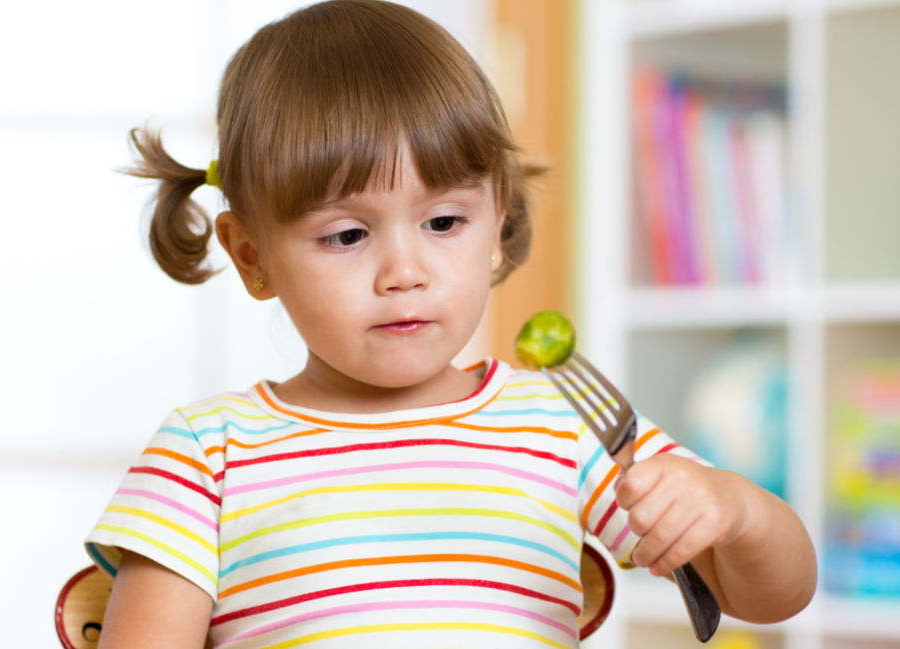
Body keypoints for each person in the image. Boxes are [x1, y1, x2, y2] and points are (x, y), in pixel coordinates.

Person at [84, 1, 817, 647]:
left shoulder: (559, 424)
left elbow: (769, 595)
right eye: (346, 235)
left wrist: (736, 510)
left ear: (498, 224)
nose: (405, 271)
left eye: (443, 221)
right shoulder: (206, 453)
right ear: (252, 257)